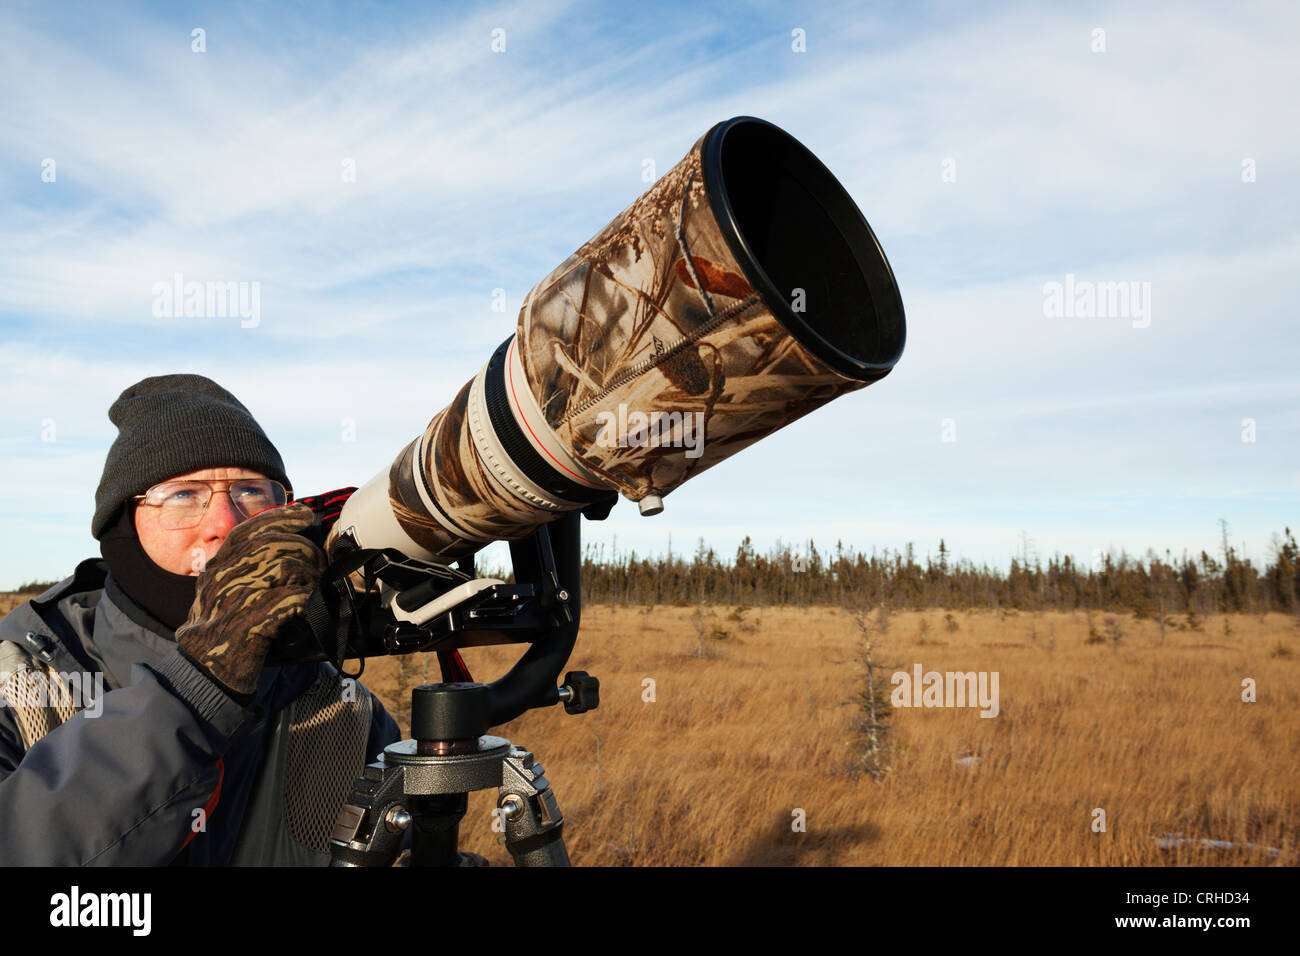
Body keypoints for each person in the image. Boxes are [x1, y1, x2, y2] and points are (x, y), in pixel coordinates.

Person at [0, 374, 400, 865]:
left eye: (252, 492)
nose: (226, 525)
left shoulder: (344, 711)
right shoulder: (20, 686)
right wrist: (199, 686)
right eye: (184, 495)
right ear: (122, 525)